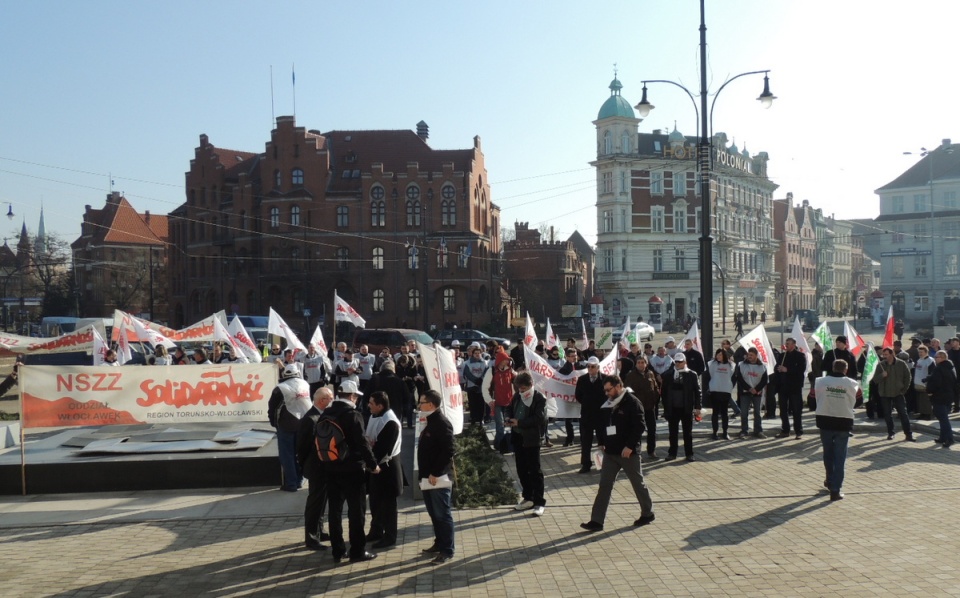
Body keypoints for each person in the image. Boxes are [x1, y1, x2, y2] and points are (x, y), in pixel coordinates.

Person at [579, 374, 655, 532]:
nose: (606, 393)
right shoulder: (607, 403)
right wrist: (601, 443)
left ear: (618, 386)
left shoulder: (632, 402)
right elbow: (602, 424)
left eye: (609, 390)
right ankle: (596, 521)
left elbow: (639, 426)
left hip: (628, 453)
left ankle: (647, 513)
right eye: (605, 390)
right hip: (610, 452)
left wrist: (630, 446)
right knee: (604, 486)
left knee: (637, 484)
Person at [322, 380, 380, 563]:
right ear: (353, 396)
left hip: (331, 467)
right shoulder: (353, 415)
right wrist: (373, 464)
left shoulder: (326, 413)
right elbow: (362, 443)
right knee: (356, 512)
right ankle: (357, 551)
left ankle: (338, 551)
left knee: (334, 511)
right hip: (352, 469)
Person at [417, 389, 456, 564]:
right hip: (427, 477)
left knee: (442, 514)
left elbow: (448, 450)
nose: (419, 406)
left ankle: (447, 550)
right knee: (434, 514)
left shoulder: (441, 423)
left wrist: (436, 472)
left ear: (431, 405)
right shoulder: (429, 421)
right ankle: (439, 543)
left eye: (421, 402)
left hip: (437, 478)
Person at [815, 359, 858, 501]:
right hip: (843, 421)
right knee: (840, 457)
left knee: (828, 453)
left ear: (832, 368)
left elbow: (813, 398)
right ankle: (835, 489)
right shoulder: (852, 383)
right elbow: (859, 400)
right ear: (846, 369)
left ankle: (829, 479)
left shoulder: (820, 381)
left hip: (825, 419)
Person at [296, 387, 334, 550]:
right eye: (330, 398)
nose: (332, 401)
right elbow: (302, 446)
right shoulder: (310, 419)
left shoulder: (322, 415)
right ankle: (311, 537)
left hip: (324, 467)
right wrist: (305, 464)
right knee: (315, 503)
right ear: (321, 400)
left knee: (322, 501)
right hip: (315, 467)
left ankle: (320, 530)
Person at [364, 390, 402, 548]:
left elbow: (383, 449)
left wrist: (370, 463)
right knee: (375, 502)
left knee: (388, 505)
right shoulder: (374, 415)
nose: (368, 406)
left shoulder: (390, 422)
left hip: (386, 467)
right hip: (375, 466)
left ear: (380, 406)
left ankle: (390, 536)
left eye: (371, 404)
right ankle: (376, 530)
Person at [268, 364, 313, 492]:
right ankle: (299, 480)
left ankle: (291, 483)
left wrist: (274, 423)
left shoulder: (280, 388)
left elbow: (273, 408)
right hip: (304, 424)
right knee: (301, 454)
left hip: (286, 425)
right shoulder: (305, 384)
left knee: (287, 455)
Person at [508, 372, 547, 516]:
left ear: (530, 385)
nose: (521, 391)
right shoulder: (517, 396)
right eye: (519, 388)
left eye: (523, 388)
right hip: (518, 437)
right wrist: (509, 418)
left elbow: (539, 418)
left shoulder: (539, 398)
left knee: (534, 471)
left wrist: (521, 423)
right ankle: (528, 497)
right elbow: (510, 408)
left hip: (532, 439)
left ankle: (539, 502)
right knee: (521, 469)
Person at [663, 353, 702, 461]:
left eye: (680, 361)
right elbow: (664, 393)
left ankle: (689, 454)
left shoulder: (692, 374)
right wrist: (666, 409)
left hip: (686, 408)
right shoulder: (668, 375)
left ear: (685, 362)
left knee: (687, 433)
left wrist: (698, 407)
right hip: (673, 408)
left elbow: (698, 392)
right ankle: (672, 453)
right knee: (673, 433)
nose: (678, 363)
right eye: (676, 361)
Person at [872, 347, 915, 441]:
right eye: (883, 355)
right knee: (887, 414)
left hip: (898, 393)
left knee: (903, 414)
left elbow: (908, 377)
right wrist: (881, 376)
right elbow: (875, 379)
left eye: (886, 355)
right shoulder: (881, 365)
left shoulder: (901, 364)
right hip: (885, 394)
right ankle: (891, 433)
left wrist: (903, 390)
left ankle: (908, 434)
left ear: (892, 354)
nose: (884, 357)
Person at [623, 355, 661, 460]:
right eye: (638, 362)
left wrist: (655, 399)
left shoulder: (650, 373)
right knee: (637, 431)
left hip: (650, 407)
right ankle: (637, 453)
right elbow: (627, 391)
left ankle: (651, 451)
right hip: (637, 409)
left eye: (642, 362)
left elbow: (655, 388)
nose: (641, 364)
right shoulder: (631, 375)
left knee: (652, 430)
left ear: (646, 363)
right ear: (636, 364)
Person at [482, 348, 516, 454]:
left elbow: (518, 381)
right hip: (497, 403)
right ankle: (501, 447)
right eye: (506, 359)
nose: (508, 361)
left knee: (511, 425)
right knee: (500, 425)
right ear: (501, 360)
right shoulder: (491, 371)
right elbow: (485, 387)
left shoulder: (510, 370)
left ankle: (504, 445)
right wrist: (489, 400)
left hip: (510, 402)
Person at [774, 339, 807, 440]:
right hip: (783, 387)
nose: (786, 345)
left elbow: (801, 370)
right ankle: (785, 430)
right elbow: (776, 367)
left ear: (793, 345)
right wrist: (778, 369)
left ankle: (798, 431)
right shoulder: (782, 355)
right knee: (783, 410)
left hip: (795, 387)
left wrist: (787, 370)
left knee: (796, 410)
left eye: (788, 344)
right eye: (785, 343)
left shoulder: (800, 356)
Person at [368, 360, 414, 429]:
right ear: (393, 369)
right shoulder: (399, 381)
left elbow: (366, 396)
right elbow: (406, 397)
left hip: (377, 411)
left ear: (381, 369)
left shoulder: (373, 380)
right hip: (395, 412)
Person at [733, 348, 768, 438]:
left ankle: (758, 431)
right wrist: (749, 388)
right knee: (744, 413)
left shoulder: (762, 366)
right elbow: (740, 379)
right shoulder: (741, 365)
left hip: (757, 393)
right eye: (748, 355)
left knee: (757, 413)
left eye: (751, 355)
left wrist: (756, 389)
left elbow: (764, 380)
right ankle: (744, 430)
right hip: (745, 393)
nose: (749, 357)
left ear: (756, 355)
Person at [925, 350, 956, 447]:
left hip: (939, 397)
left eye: (936, 357)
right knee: (943, 418)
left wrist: (929, 391)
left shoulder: (939, 368)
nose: (935, 359)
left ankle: (949, 438)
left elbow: (936, 383)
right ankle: (942, 437)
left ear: (942, 358)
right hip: (949, 396)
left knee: (943, 419)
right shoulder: (950, 367)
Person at [705, 348, 735, 440]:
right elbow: (708, 375)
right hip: (715, 391)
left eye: (720, 354)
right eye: (717, 354)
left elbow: (733, 377)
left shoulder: (731, 365)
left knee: (724, 413)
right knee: (715, 413)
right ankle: (715, 432)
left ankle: (725, 432)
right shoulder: (712, 364)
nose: (718, 356)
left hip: (725, 391)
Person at [461, 343, 489, 427]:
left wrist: (481, 380)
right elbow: (467, 373)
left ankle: (481, 419)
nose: (477, 355)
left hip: (481, 387)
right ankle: (473, 418)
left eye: (478, 353)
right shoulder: (467, 363)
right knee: (472, 404)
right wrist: (475, 380)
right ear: (472, 354)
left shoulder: (485, 362)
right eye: (475, 353)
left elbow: (486, 372)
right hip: (471, 386)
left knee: (481, 404)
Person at [913, 345, 935, 420]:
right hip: (918, 384)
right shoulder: (919, 360)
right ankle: (922, 413)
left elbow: (932, 373)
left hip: (925, 384)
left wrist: (928, 382)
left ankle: (928, 414)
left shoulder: (930, 361)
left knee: (926, 400)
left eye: (921, 352)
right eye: (919, 352)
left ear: (926, 352)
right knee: (920, 400)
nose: (920, 354)